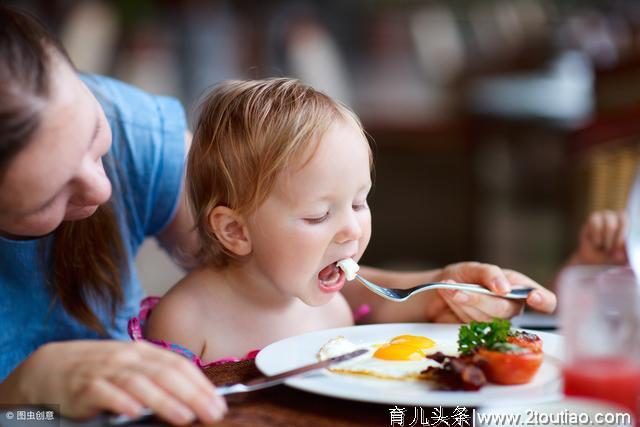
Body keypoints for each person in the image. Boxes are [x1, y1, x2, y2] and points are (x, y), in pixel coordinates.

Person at [0, 4, 555, 424]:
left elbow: (273, 273)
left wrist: (429, 289)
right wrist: (22, 400)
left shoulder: (137, 133)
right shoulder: (186, 324)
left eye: (98, 139)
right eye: (48, 197)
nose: (102, 188)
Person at [137, 78, 554, 363]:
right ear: (236, 231)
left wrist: (463, 294)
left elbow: (405, 310)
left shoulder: (336, 306)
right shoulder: (186, 322)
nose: (353, 230)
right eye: (319, 214)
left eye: (359, 204)